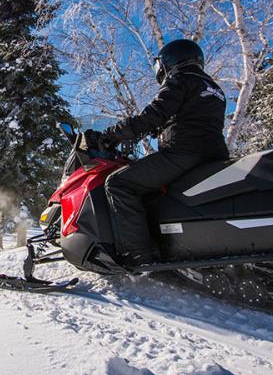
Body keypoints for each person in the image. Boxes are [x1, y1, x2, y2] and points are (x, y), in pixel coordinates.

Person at [97, 39, 229, 259]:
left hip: (184, 153)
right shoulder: (214, 88)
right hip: (213, 154)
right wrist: (157, 131)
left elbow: (154, 114)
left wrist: (112, 134)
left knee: (118, 184)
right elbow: (191, 118)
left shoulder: (180, 78)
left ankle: (138, 254)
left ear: (170, 60)